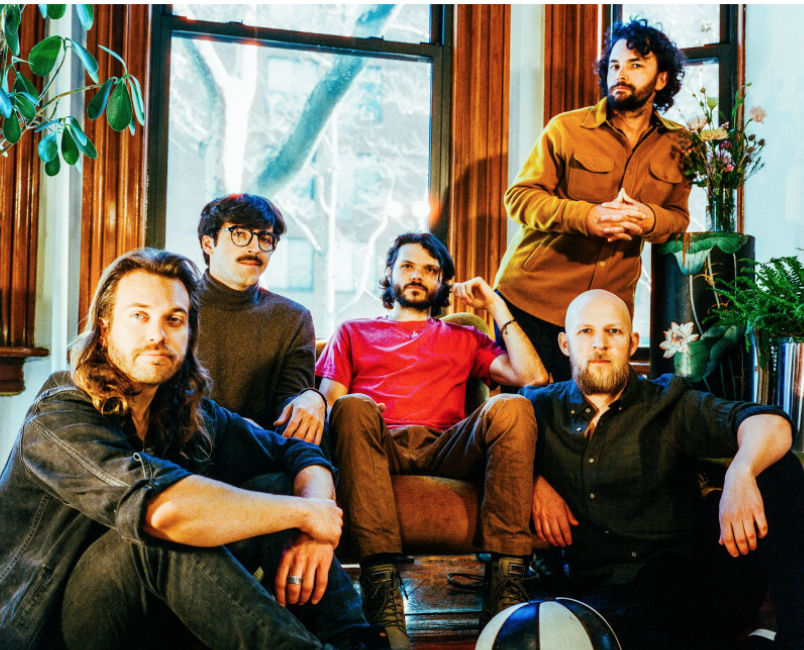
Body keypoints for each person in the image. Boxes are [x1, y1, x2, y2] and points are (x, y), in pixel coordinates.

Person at [0, 249, 388, 650]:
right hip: (50, 628)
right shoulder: (60, 413)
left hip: (153, 620)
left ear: (190, 333)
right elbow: (165, 512)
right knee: (154, 536)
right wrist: (308, 513)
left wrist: (316, 527)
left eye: (174, 319)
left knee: (276, 484)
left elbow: (296, 452)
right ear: (104, 329)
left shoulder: (188, 410)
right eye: (139, 316)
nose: (157, 334)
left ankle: (357, 641)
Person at [521, 289, 804, 650]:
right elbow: (478, 444)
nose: (600, 344)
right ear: (565, 344)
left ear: (632, 341)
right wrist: (531, 480)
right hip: (601, 590)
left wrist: (741, 472)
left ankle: (796, 637)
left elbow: (772, 423)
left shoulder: (668, 402)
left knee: (779, 470)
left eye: (613, 332)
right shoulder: (538, 407)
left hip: (692, 581)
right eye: (585, 332)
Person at [316, 232, 549, 649]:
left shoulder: (466, 337)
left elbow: (533, 378)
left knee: (515, 407)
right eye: (408, 266)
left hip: (447, 448)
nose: (418, 276)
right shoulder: (352, 331)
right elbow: (331, 406)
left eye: (430, 270)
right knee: (351, 405)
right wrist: (364, 414)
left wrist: (494, 303)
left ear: (442, 283)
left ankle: (506, 592)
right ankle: (383, 597)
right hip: (378, 446)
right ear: (389, 273)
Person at [494, 18, 691, 382]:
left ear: (661, 78)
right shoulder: (566, 128)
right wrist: (586, 216)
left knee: (595, 421)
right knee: (527, 419)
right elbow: (518, 198)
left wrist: (650, 219)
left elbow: (678, 218)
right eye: (614, 65)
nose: (621, 73)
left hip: (605, 315)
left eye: (635, 65)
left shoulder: (682, 146)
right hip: (532, 300)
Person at [197, 194, 327, 450]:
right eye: (240, 234)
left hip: (257, 455)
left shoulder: (293, 318)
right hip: (183, 455)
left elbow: (291, 408)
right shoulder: (174, 308)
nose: (255, 248)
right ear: (208, 243)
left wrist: (313, 397)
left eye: (265, 238)